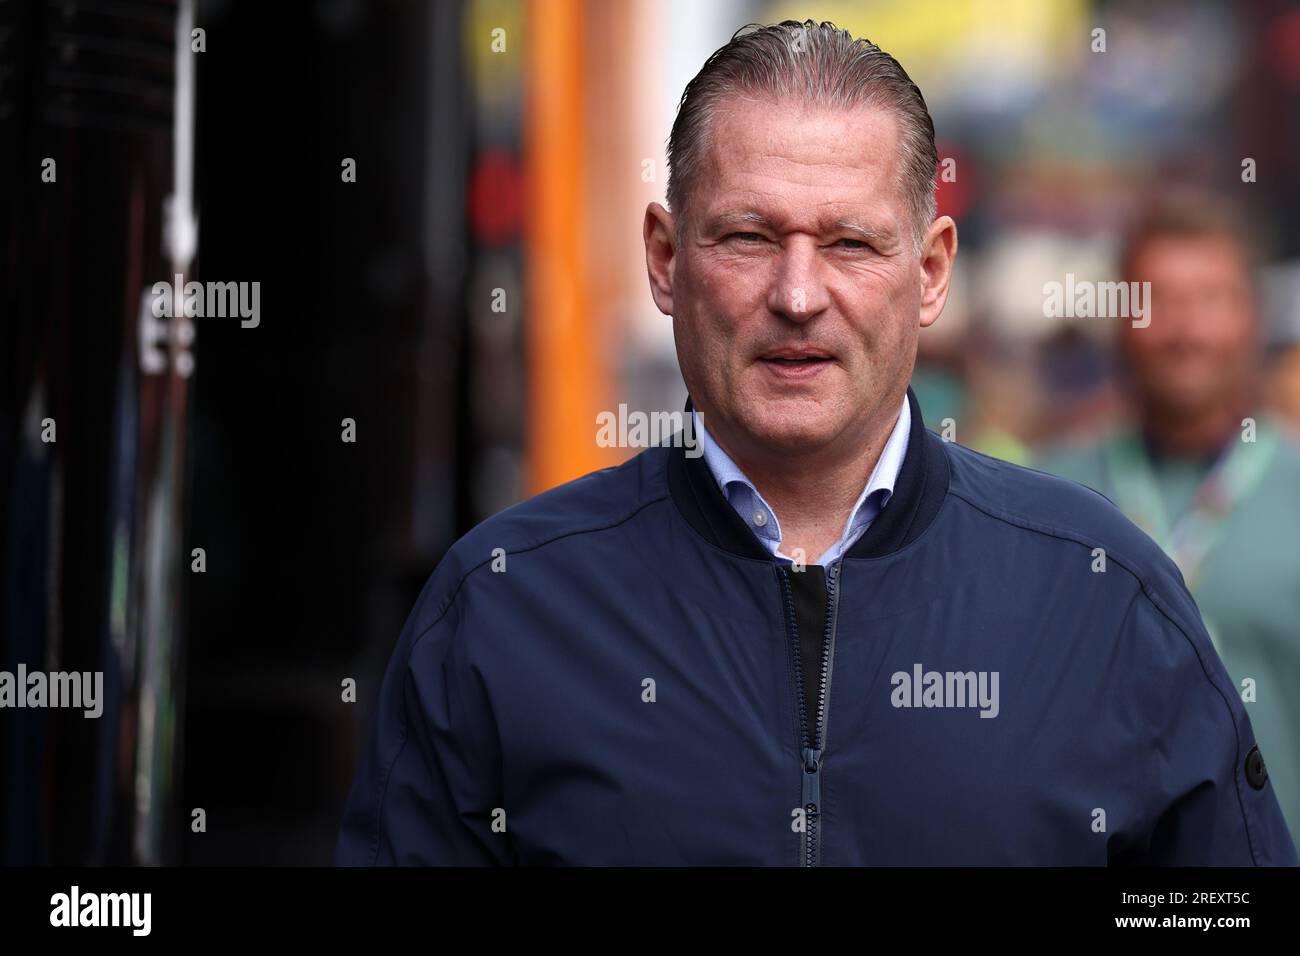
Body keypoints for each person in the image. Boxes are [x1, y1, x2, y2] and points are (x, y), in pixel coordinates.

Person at [335, 20, 1296, 865]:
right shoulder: (502, 612)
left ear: (929, 273)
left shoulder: (1103, 597)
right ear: (666, 260)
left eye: (849, 244)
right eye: (749, 236)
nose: (798, 295)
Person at [1034, 191, 1300, 852]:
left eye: (1212, 299)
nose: (1187, 332)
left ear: (1252, 318)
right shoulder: (1043, 498)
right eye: (1159, 303)